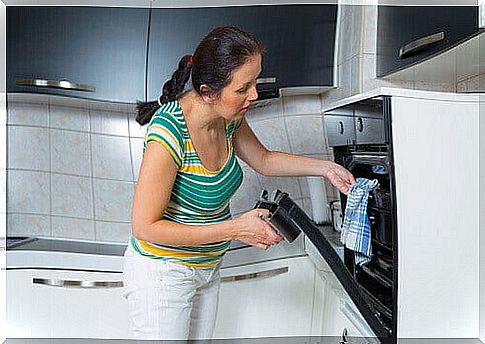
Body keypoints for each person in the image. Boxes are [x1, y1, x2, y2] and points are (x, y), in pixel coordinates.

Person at [122, 26, 355, 340]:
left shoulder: (228, 118)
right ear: (208, 92)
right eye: (243, 87)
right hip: (163, 272)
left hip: (206, 267)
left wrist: (325, 168)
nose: (254, 94)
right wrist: (236, 228)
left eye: (255, 81)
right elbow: (145, 226)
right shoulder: (168, 134)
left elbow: (264, 159)